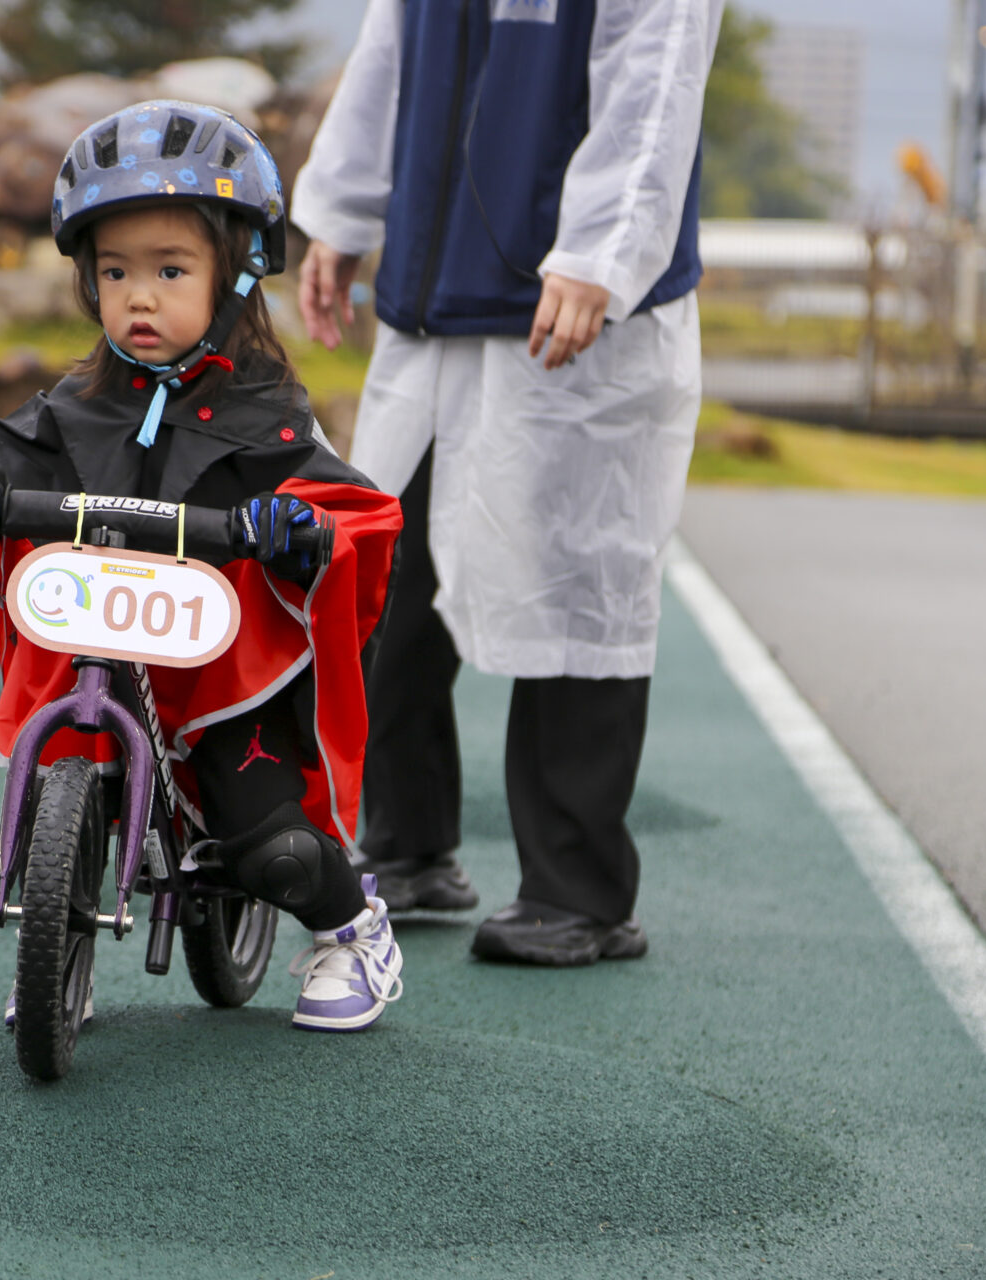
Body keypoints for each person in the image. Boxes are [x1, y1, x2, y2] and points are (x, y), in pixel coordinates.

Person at [0, 101, 407, 1031]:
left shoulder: (264, 412)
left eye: (169, 270)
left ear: (237, 276)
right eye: (114, 271)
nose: (138, 296)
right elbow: (2, 448)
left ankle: (356, 930)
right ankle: (55, 941)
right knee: (56, 766)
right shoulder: (78, 404)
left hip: (220, 675)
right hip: (101, 648)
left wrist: (295, 526)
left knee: (269, 848)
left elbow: (349, 506)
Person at [292, 0, 723, 963]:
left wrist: (599, 252)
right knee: (387, 573)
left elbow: (654, 84)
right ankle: (407, 847)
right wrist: (344, 215)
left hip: (572, 310)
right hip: (437, 300)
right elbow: (387, 59)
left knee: (576, 584)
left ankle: (581, 894)